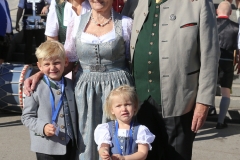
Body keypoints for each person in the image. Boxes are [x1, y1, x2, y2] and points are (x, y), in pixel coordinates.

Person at [24, 0, 134, 159]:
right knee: (85, 138)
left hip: (117, 89)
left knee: (117, 139)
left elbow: (133, 60)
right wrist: (40, 74)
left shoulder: (125, 23)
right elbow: (65, 60)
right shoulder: (77, 22)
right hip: (85, 92)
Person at [122, 0, 220, 159]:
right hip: (139, 102)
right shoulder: (134, 3)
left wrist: (203, 102)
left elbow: (210, 55)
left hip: (180, 101)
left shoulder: (198, 3)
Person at [21, 40, 78, 160]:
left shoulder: (72, 85)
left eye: (57, 63)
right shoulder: (34, 88)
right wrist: (42, 127)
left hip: (70, 145)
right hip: (46, 147)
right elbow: (26, 117)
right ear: (39, 66)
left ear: (66, 62)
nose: (52, 68)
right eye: (47, 64)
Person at [94, 85, 155, 160]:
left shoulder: (141, 130)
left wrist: (124, 158)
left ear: (135, 107)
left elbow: (143, 154)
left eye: (127, 104)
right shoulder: (106, 129)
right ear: (112, 110)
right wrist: (104, 152)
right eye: (118, 106)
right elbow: (103, 146)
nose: (123, 109)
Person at [216, 1, 239, 129]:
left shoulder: (209, 25)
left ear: (216, 11)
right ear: (231, 13)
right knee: (225, 93)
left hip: (211, 61)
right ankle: (220, 121)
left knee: (205, 89)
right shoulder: (236, 27)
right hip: (227, 61)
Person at [15, 0, 50, 64]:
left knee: (40, 45)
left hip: (41, 24)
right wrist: (17, 22)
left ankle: (41, 63)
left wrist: (47, 6)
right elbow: (20, 8)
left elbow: (52, 3)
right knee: (28, 45)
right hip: (28, 24)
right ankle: (28, 63)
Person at [0, 0, 13, 64]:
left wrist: (10, 32)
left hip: (6, 35)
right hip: (0, 34)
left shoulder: (5, 2)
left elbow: (8, 17)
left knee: (3, 57)